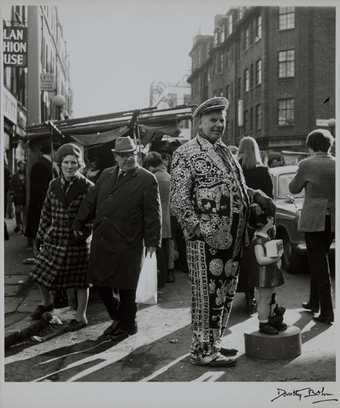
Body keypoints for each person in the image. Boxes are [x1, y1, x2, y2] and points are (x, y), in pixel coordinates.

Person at [170, 97, 275, 367]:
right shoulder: (186, 153)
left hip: (234, 239)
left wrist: (255, 193)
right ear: (199, 123)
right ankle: (202, 350)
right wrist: (200, 230)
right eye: (213, 120)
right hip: (205, 242)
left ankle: (213, 343)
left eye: (221, 120)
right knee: (205, 296)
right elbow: (179, 200)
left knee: (225, 293)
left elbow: (235, 187)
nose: (218, 124)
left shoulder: (226, 152)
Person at [73, 136, 161, 340]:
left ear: (136, 153)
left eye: (131, 154)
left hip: (128, 241)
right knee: (100, 282)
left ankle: (128, 324)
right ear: (116, 157)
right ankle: (118, 318)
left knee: (126, 287)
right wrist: (79, 221)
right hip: (103, 239)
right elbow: (90, 200)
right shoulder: (106, 174)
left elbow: (153, 214)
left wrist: (152, 243)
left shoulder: (147, 179)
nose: (128, 158)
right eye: (123, 155)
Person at [30, 143, 93, 331]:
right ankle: (47, 303)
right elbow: (45, 212)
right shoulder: (53, 184)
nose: (70, 166)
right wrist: (40, 236)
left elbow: (94, 215)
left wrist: (84, 233)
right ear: (59, 164)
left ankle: (81, 316)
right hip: (54, 239)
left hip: (77, 242)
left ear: (80, 164)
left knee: (81, 281)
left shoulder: (88, 187)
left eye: (74, 162)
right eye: (66, 162)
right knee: (39, 273)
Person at [289, 129, 335, 325]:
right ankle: (314, 302)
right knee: (320, 261)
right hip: (333, 220)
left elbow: (293, 188)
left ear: (311, 145)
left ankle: (327, 311)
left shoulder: (307, 164)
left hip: (315, 218)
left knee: (318, 264)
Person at [237, 136, 274, 315]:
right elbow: (269, 197)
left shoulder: (237, 170)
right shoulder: (263, 170)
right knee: (262, 258)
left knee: (244, 258)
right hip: (260, 222)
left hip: (241, 222)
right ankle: (267, 297)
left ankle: (248, 296)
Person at [248, 203, 286, 335]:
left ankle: (271, 319)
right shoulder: (258, 240)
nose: (272, 220)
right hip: (262, 276)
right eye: (270, 218)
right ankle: (263, 322)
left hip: (268, 274)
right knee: (264, 299)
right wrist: (276, 258)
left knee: (270, 297)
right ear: (263, 222)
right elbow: (261, 260)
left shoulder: (265, 236)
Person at [144, 151, 174, 286]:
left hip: (158, 217)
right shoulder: (168, 176)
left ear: (151, 165)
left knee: (159, 250)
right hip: (168, 216)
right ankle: (169, 274)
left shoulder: (153, 178)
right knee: (167, 247)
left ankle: (160, 278)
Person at [25, 143, 58, 249]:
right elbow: (41, 187)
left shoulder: (44, 164)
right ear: (52, 151)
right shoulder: (42, 165)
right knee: (39, 225)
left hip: (41, 201)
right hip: (41, 202)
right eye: (56, 152)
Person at [9, 161, 26, 233]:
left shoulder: (26, 175)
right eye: (20, 165)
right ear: (19, 166)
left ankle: (23, 226)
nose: (22, 167)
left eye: (23, 165)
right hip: (18, 197)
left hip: (25, 196)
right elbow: (12, 185)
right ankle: (19, 226)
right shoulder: (15, 175)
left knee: (24, 212)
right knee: (18, 212)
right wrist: (12, 194)